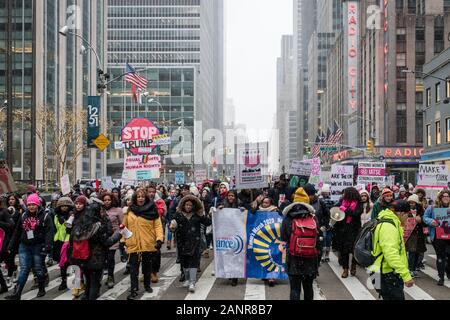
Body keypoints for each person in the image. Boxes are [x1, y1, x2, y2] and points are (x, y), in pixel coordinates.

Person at [70, 200, 122, 300]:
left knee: (88, 280)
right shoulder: (98, 226)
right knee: (94, 283)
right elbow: (107, 242)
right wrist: (119, 234)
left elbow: (72, 239)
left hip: (82, 257)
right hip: (95, 258)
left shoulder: (79, 224)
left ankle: (86, 296)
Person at [5, 194, 53, 300]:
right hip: (24, 245)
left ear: (38, 204)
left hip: (38, 246)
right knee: (24, 269)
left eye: (33, 204)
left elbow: (49, 232)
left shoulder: (45, 216)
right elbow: (17, 231)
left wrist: (48, 247)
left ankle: (41, 288)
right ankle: (17, 293)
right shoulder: (23, 215)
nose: (31, 207)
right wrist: (11, 245)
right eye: (29, 204)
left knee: (38, 269)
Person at [123, 188, 164, 300]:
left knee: (147, 268)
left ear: (145, 198)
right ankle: (134, 290)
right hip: (133, 244)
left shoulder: (152, 210)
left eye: (142, 196)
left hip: (148, 244)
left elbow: (158, 226)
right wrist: (123, 241)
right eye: (138, 197)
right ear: (135, 199)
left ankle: (147, 285)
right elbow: (124, 227)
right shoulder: (129, 211)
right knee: (133, 270)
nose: (140, 198)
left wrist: (159, 239)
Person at [370, 200, 415, 300]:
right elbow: (391, 254)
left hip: (382, 271)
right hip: (387, 274)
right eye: (407, 215)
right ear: (402, 213)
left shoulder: (387, 220)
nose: (407, 218)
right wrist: (406, 275)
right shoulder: (389, 226)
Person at [170, 195, 211, 293]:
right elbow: (172, 225)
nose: (188, 207)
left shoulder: (197, 215)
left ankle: (192, 282)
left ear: (193, 206)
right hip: (182, 242)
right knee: (184, 262)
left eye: (190, 205)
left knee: (193, 262)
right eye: (186, 205)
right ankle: (187, 279)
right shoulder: (178, 215)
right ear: (183, 205)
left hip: (194, 242)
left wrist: (203, 215)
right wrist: (172, 226)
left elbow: (208, 223)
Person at [281, 199, 319, 300]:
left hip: (294, 258)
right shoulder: (313, 218)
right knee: (308, 287)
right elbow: (317, 239)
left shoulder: (288, 218)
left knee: (295, 288)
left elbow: (284, 237)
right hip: (310, 258)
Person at [333, 187, 363, 278]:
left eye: (345, 193)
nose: (343, 195)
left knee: (354, 250)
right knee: (344, 251)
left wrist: (345, 210)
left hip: (354, 230)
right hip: (342, 230)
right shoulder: (342, 201)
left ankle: (353, 265)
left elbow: (356, 213)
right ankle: (345, 269)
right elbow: (335, 210)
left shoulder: (359, 203)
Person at [423, 189, 450, 286]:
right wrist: (432, 221)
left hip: (449, 235)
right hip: (438, 236)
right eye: (444, 196)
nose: (446, 198)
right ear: (441, 197)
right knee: (440, 256)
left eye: (448, 196)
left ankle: (448, 270)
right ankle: (441, 277)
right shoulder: (433, 207)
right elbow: (425, 217)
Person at [303, 183, 330, 267]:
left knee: (318, 250)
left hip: (318, 230)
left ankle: (315, 266)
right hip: (305, 231)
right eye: (307, 194)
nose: (309, 196)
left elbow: (327, 214)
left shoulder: (320, 202)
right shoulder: (300, 202)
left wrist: (324, 226)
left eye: (311, 194)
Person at [101, 192, 123, 289]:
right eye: (105, 200)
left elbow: (122, 225)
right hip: (102, 238)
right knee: (102, 259)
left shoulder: (118, 210)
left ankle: (110, 277)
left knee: (110, 258)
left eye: (109, 200)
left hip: (114, 238)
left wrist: (123, 239)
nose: (107, 202)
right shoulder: (99, 210)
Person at [52, 196, 75, 291]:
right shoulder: (56, 216)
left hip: (70, 242)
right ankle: (63, 281)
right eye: (62, 206)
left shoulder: (73, 216)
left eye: (66, 205)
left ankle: (75, 282)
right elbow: (54, 229)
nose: (64, 207)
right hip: (59, 243)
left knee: (73, 263)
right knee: (62, 264)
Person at [4, 194, 24, 286]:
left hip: (15, 237)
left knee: (11, 256)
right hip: (6, 237)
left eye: (12, 199)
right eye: (9, 199)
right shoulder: (5, 211)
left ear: (16, 200)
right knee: (6, 258)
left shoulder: (19, 211)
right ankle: (15, 269)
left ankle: (9, 277)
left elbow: (18, 226)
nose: (11, 201)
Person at [405, 194, 426, 278]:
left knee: (418, 251)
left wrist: (421, 220)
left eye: (413, 203)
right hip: (410, 234)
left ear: (416, 203)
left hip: (419, 234)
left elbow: (425, 222)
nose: (411, 204)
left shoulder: (421, 211)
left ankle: (414, 268)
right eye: (410, 203)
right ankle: (410, 269)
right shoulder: (406, 211)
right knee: (412, 252)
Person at [0, 196, 15, 293]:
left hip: (3, 241)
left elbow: (11, 224)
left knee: (8, 262)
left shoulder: (4, 211)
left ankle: (5, 283)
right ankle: (4, 285)